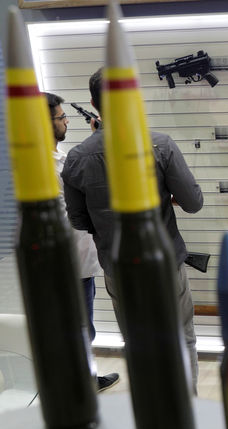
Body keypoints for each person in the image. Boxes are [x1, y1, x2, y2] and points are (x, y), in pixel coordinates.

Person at [61, 69, 204, 391]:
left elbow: (79, 220)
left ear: (94, 104)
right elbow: (193, 202)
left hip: (117, 267)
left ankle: (152, 414)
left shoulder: (77, 157)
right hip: (166, 263)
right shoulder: (161, 145)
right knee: (182, 338)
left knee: (139, 344)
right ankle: (190, 413)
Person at [45, 92, 119, 392]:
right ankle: (81, 385)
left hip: (78, 261)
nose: (65, 122)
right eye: (61, 118)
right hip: (69, 263)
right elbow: (67, 215)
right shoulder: (47, 165)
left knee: (79, 326)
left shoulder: (59, 159)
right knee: (80, 328)